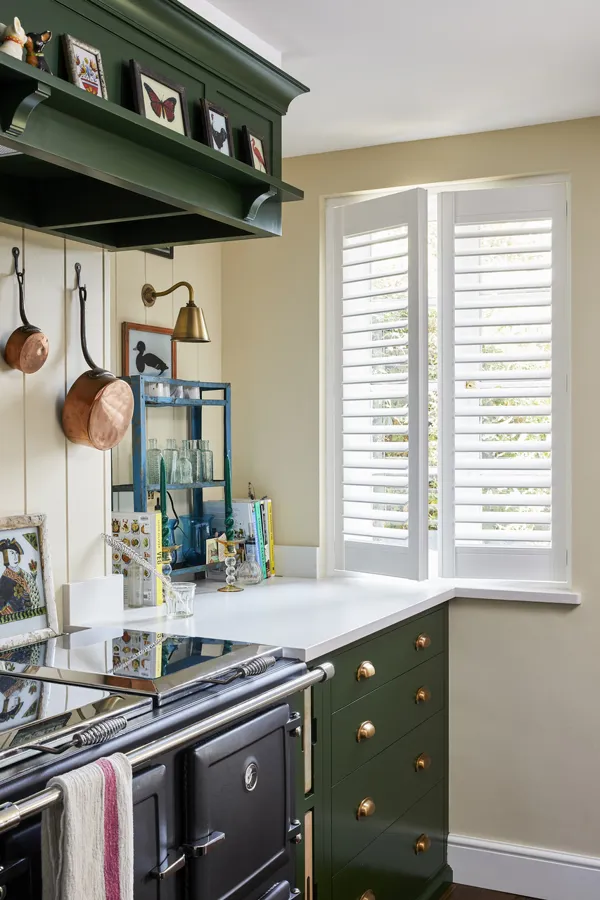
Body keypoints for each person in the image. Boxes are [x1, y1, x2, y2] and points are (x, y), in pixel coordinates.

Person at [0, 539, 41, 620]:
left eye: (16, 554)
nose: (15, 557)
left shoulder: (24, 574)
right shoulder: (5, 580)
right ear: (5, 556)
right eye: (11, 554)